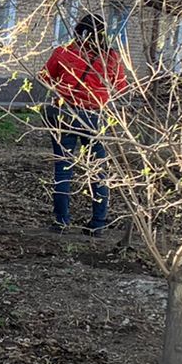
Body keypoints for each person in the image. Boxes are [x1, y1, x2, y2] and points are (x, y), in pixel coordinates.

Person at [40, 13, 127, 237]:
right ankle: (98, 222)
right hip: (93, 116)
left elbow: (44, 78)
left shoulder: (64, 53)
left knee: (63, 167)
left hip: (63, 113)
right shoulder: (111, 57)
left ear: (78, 31)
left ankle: (61, 221)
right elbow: (121, 87)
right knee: (98, 169)